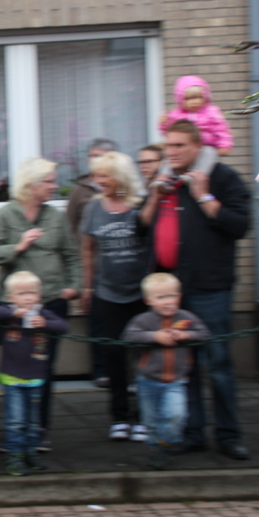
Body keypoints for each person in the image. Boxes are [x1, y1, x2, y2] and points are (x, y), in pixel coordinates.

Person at [139, 119, 251, 460]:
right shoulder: (166, 182)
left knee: (217, 364)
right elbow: (139, 227)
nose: (170, 152)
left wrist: (204, 196)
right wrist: (154, 197)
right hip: (173, 292)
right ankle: (193, 433)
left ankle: (228, 436)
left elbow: (239, 225)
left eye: (178, 146)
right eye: (167, 146)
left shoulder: (222, 178)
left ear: (197, 147)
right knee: (181, 364)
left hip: (210, 287)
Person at [0, 157, 80, 452]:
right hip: (13, 311)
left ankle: (39, 432)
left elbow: (72, 255)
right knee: (14, 370)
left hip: (50, 304)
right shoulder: (6, 216)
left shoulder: (56, 217)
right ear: (32, 185)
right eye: (49, 181)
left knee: (44, 371)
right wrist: (18, 246)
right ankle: (15, 432)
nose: (55, 186)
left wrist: (72, 287)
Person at [79, 151, 151, 441]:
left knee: (145, 357)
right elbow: (87, 250)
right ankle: (120, 417)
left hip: (142, 294)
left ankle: (145, 416)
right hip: (108, 294)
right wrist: (88, 287)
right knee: (114, 356)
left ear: (119, 176)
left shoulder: (139, 206)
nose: (98, 181)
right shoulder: (93, 209)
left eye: (104, 175)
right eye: (97, 175)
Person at [121, 273, 211, 470]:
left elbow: (204, 333)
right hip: (147, 380)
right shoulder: (143, 320)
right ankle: (156, 449)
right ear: (149, 300)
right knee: (150, 420)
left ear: (179, 296)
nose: (168, 301)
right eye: (161, 298)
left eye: (171, 296)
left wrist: (186, 334)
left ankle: (167, 442)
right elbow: (129, 336)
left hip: (176, 381)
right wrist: (155, 337)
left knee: (176, 414)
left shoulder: (186, 318)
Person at [0, 271, 68, 476]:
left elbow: (64, 326)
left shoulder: (42, 313)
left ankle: (30, 452)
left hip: (36, 377)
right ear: (11, 297)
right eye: (22, 294)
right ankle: (15, 456)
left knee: (32, 420)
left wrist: (45, 324)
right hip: (12, 377)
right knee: (15, 420)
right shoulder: (7, 312)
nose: (28, 298)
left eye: (32, 293)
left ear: (39, 296)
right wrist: (14, 314)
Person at [157, 75, 234, 180]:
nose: (194, 102)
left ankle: (197, 176)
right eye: (188, 99)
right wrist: (163, 124)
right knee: (171, 156)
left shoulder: (211, 113)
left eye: (197, 97)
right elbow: (169, 132)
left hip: (205, 145)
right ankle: (164, 178)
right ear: (181, 100)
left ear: (205, 97)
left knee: (208, 154)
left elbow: (221, 130)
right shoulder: (177, 115)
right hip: (184, 149)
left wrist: (224, 145)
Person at [66, 138, 119, 236]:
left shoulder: (121, 187)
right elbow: (69, 227)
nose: (94, 160)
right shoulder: (79, 191)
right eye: (92, 156)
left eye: (100, 156)